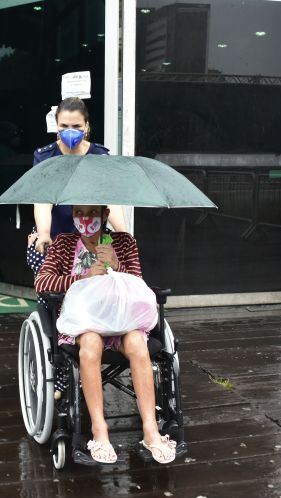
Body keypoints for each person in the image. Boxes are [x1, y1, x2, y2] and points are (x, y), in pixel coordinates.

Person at [34, 205, 177, 465]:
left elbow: (138, 284)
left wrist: (116, 266)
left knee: (136, 342)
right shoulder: (64, 243)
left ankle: (151, 429)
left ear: (104, 213)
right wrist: (80, 276)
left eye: (91, 212)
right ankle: (99, 431)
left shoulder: (121, 241)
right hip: (84, 321)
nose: (85, 219)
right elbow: (42, 283)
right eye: (79, 212)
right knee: (90, 342)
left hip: (121, 319)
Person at [27, 97, 127, 276]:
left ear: (86, 126)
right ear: (56, 125)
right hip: (55, 235)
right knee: (53, 290)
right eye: (64, 126)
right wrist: (43, 232)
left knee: (89, 290)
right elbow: (43, 199)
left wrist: (123, 234)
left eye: (77, 126)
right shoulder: (45, 157)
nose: (70, 131)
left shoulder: (99, 156)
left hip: (90, 238)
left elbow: (109, 198)